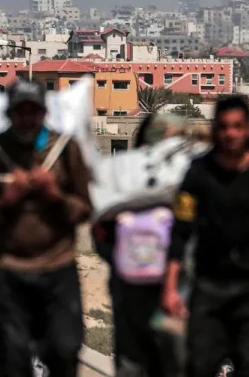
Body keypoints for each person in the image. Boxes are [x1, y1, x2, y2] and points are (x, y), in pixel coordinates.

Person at [161, 95, 249, 377]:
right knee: (200, 365)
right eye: (224, 127)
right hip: (210, 287)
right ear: (215, 130)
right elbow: (180, 231)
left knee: (248, 364)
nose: (231, 134)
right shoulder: (197, 173)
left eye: (237, 126)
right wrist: (170, 287)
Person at [0, 79, 92, 377]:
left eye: (32, 111)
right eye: (20, 112)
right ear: (9, 114)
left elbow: (85, 209)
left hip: (57, 269)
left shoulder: (64, 149)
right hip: (10, 271)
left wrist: (54, 195)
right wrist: (5, 202)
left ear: (43, 113)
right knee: (13, 361)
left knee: (64, 351)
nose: (27, 119)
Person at [92, 113, 186, 377]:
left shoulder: (187, 182)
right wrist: (124, 259)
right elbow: (100, 232)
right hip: (131, 291)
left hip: (173, 291)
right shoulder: (122, 181)